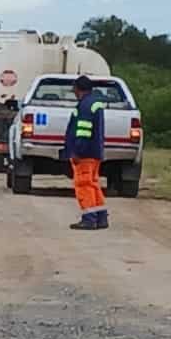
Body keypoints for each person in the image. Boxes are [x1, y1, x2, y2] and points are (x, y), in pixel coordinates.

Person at [62, 76, 108, 230]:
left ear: (79, 88)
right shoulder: (94, 103)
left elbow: (83, 130)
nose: (73, 92)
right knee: (93, 184)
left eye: (74, 89)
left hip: (85, 154)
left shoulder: (85, 106)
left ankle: (89, 219)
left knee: (84, 184)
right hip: (95, 152)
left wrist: (77, 151)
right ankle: (101, 217)